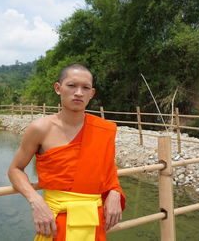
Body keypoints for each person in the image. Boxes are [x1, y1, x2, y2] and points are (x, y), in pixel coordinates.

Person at [8, 64, 125, 241]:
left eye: (85, 88)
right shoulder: (40, 128)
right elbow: (15, 169)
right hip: (55, 221)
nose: (78, 92)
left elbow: (108, 170)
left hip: (93, 221)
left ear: (91, 94)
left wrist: (115, 191)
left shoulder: (103, 129)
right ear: (58, 88)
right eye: (71, 85)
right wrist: (36, 201)